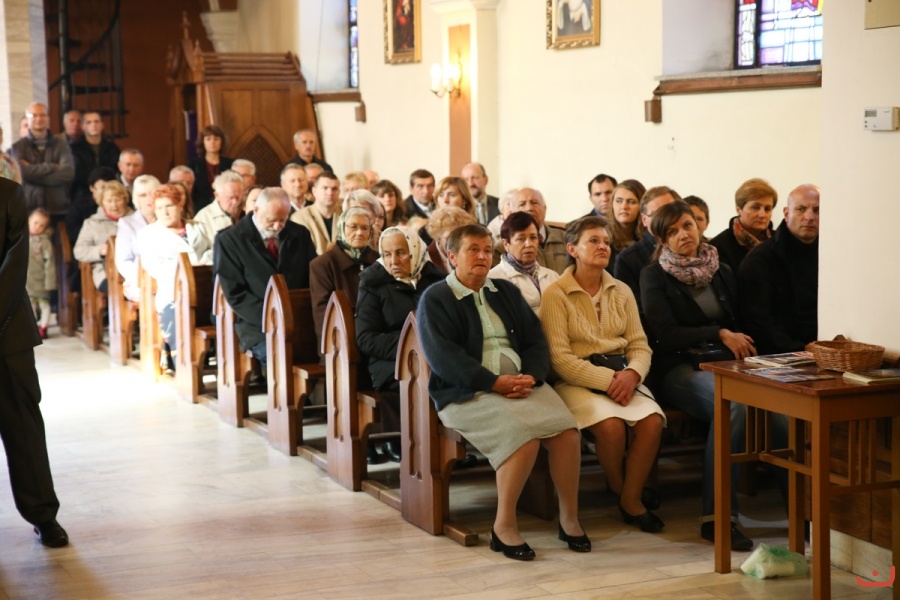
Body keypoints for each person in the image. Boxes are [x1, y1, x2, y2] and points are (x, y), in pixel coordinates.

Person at [417, 223, 588, 560]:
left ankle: (569, 519)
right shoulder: (436, 298)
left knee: (567, 434)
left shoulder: (504, 291)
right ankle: (504, 526)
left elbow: (535, 340)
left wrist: (532, 377)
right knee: (522, 436)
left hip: (521, 384)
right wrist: (494, 383)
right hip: (467, 392)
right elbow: (445, 359)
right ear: (452, 256)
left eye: (487, 250)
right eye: (473, 249)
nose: (483, 256)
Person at [639, 201, 755, 550]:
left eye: (687, 226)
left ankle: (803, 513)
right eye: (672, 232)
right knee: (732, 406)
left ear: (699, 226)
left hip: (727, 363)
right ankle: (717, 519)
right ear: (662, 240)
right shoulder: (653, 275)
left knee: (783, 411)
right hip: (680, 368)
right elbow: (664, 334)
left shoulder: (721, 269)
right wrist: (719, 333)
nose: (683, 235)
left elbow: (740, 321)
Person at [542, 215, 665, 533]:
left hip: (622, 375)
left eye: (607, 242)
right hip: (577, 380)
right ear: (572, 249)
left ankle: (629, 497)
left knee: (652, 422)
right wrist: (608, 381)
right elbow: (560, 359)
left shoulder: (621, 290)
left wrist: (633, 374)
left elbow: (639, 345)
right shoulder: (556, 293)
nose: (603, 247)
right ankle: (624, 491)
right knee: (611, 428)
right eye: (594, 241)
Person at [0, 177, 68, 547]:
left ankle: (43, 514)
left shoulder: (9, 194)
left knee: (23, 426)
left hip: (7, 328)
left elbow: (14, 265)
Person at [355, 226, 445, 460]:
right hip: (390, 362)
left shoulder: (435, 279)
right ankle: (403, 440)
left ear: (415, 251)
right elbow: (366, 338)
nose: (393, 261)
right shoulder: (372, 284)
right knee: (420, 381)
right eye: (387, 254)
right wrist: (412, 348)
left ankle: (447, 443)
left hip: (434, 356)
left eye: (401, 253)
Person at [214, 187, 317, 365]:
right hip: (256, 323)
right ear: (256, 210)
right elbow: (235, 293)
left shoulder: (299, 234)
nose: (277, 226)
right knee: (279, 356)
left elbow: (311, 278)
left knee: (325, 351)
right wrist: (273, 318)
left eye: (282, 220)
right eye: (271, 220)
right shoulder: (230, 240)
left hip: (299, 318)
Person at [137, 184, 213, 371]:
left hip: (205, 287)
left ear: (180, 206)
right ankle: (183, 364)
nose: (165, 212)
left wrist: (204, 261)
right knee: (178, 313)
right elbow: (154, 266)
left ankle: (214, 356)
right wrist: (187, 270)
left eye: (169, 206)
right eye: (159, 208)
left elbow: (213, 250)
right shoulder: (148, 234)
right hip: (173, 292)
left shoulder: (198, 227)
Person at [738, 184, 820, 355]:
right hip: (781, 352)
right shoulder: (760, 259)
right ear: (787, 213)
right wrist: (799, 350)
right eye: (800, 209)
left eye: (817, 210)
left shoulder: (834, 256)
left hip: (827, 351)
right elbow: (758, 320)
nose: (809, 217)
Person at [309, 207, 377, 349]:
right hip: (340, 343)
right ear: (341, 229)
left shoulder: (378, 261)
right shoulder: (323, 264)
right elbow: (323, 314)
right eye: (353, 227)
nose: (359, 232)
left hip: (375, 338)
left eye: (365, 228)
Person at [613, 185, 679, 316]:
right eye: (657, 214)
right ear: (644, 220)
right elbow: (634, 312)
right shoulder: (627, 260)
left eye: (670, 211)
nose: (665, 218)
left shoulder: (700, 250)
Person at [11, 102, 75, 221]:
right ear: (27, 119)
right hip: (28, 209)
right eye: (34, 115)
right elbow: (21, 173)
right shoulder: (18, 147)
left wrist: (32, 175)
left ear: (48, 118)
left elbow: (68, 173)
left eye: (42, 115)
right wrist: (51, 166)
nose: (39, 119)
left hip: (57, 208)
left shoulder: (61, 144)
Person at [488, 212, 559, 316]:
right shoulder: (492, 280)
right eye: (521, 239)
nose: (529, 244)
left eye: (533, 237)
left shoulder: (553, 276)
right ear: (506, 244)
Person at [73, 180, 132, 293]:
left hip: (134, 272)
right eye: (109, 201)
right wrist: (100, 250)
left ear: (125, 200)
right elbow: (79, 251)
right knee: (122, 289)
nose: (114, 205)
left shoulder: (135, 219)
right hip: (106, 273)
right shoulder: (92, 223)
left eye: (117, 200)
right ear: (102, 202)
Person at [710, 178, 777, 274]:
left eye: (767, 209)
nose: (762, 215)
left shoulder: (779, 241)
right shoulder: (717, 247)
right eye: (755, 207)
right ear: (739, 209)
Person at [499, 187, 568, 274]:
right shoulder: (501, 247)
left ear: (545, 208)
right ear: (512, 212)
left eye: (534, 202)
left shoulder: (565, 237)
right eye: (522, 204)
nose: (529, 208)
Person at [115, 174, 161, 302]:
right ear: (136, 198)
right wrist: (143, 277)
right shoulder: (127, 223)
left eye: (152, 193)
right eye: (143, 195)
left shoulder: (167, 218)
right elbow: (123, 261)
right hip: (139, 280)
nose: (149, 199)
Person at [69, 111, 120, 200]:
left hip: (109, 193)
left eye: (96, 121)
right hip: (82, 195)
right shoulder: (74, 149)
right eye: (89, 122)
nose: (93, 125)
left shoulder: (112, 148)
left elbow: (115, 169)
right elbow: (77, 174)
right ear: (83, 126)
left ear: (102, 125)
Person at [291, 171, 342, 254]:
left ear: (339, 192)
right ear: (314, 191)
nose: (330, 193)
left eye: (334, 189)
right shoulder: (299, 218)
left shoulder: (346, 214)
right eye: (325, 188)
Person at [189, 124, 234, 214]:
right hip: (200, 208)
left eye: (216, 139)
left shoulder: (231, 164)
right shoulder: (193, 165)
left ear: (222, 142)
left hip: (226, 207)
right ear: (203, 142)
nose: (212, 142)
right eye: (208, 139)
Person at [26, 208, 55, 339]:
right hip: (27, 280)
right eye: (35, 223)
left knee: (44, 304)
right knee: (30, 305)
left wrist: (50, 282)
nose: (37, 227)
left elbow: (50, 263)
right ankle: (32, 327)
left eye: (42, 225)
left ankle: (43, 327)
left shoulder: (45, 242)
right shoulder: (21, 238)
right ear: (29, 221)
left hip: (42, 279)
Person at [606, 179, 646, 267]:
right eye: (618, 201)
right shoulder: (603, 236)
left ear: (642, 206)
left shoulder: (649, 237)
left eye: (631, 202)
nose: (624, 207)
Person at [424, 206, 476, 273]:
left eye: (461, 237)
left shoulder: (471, 254)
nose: (456, 243)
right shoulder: (426, 260)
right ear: (438, 236)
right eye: (450, 237)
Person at [193, 170, 242, 239]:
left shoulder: (248, 211)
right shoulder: (202, 218)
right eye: (230, 198)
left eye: (238, 197)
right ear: (217, 195)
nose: (235, 202)